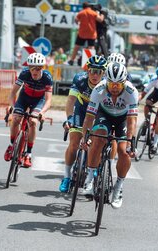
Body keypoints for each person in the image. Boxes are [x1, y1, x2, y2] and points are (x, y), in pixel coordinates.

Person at [81, 62, 138, 209]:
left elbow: (132, 121)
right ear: (106, 81)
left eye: (118, 85)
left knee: (124, 151)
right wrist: (84, 137)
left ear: (124, 83)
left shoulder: (131, 92)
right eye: (111, 84)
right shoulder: (99, 89)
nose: (114, 88)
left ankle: (118, 187)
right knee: (97, 139)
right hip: (104, 115)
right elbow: (89, 116)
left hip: (123, 119)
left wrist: (131, 143)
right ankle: (90, 175)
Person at [59, 55, 107, 193]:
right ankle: (67, 177)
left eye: (99, 72)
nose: (95, 75)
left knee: (95, 143)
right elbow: (71, 101)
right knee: (74, 143)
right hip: (81, 111)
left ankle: (93, 169)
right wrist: (69, 118)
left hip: (98, 114)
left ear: (103, 73)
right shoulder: (79, 80)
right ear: (88, 70)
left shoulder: (105, 85)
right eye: (92, 70)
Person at [4, 53, 53, 168]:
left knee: (33, 122)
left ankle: (28, 154)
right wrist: (12, 106)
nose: (35, 71)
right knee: (16, 119)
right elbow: (12, 93)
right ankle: (12, 146)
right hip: (24, 98)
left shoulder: (47, 77)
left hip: (38, 101)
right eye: (32, 67)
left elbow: (48, 100)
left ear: (43, 68)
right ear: (29, 67)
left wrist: (42, 112)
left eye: (39, 68)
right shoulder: (25, 73)